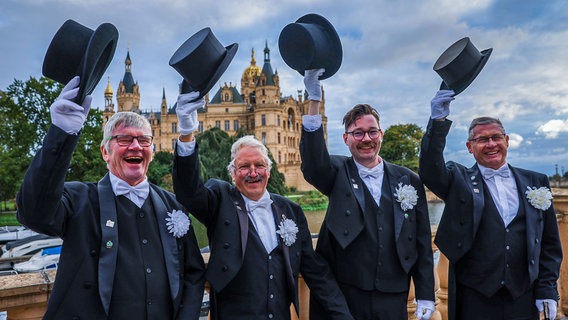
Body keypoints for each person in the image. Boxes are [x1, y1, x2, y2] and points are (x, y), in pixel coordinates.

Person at [16, 76, 206, 319]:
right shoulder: (79, 199)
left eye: (144, 140)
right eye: (124, 139)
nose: (136, 146)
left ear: (153, 150)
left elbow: (193, 272)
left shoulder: (172, 205)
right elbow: (33, 213)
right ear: (105, 151)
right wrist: (61, 133)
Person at [172, 91, 354, 320]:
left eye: (259, 165)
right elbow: (188, 192)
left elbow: (315, 271)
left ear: (269, 171)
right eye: (244, 166)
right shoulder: (220, 200)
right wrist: (187, 131)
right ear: (232, 174)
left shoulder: (290, 211)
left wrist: (343, 315)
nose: (253, 172)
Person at [300, 69, 436, 319]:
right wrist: (314, 99)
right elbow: (312, 163)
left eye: (372, 131)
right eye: (358, 133)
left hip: (393, 293)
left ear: (381, 135)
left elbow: (421, 241)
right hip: (345, 296)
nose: (366, 138)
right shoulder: (336, 171)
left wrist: (425, 293)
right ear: (346, 139)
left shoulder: (409, 179)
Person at [419, 89, 563, 320]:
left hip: (524, 295)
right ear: (469, 147)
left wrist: (547, 288)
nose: (491, 144)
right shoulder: (459, 179)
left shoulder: (536, 181)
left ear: (506, 141)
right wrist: (438, 122)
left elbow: (549, 243)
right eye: (482, 139)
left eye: (496, 137)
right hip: (474, 296)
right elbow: (429, 170)